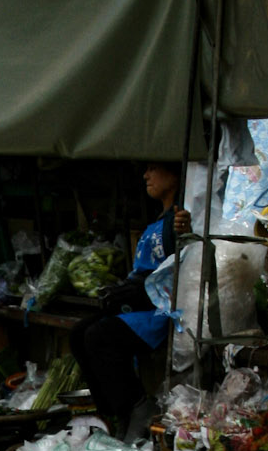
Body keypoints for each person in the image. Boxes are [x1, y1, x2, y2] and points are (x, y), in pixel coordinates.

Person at [72, 161, 192, 434]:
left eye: (153, 168)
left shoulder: (179, 218)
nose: (145, 175)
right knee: (79, 334)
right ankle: (114, 413)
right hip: (138, 302)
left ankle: (138, 405)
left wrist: (184, 229)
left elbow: (181, 266)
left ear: (174, 175)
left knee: (99, 336)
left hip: (161, 310)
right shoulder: (157, 220)